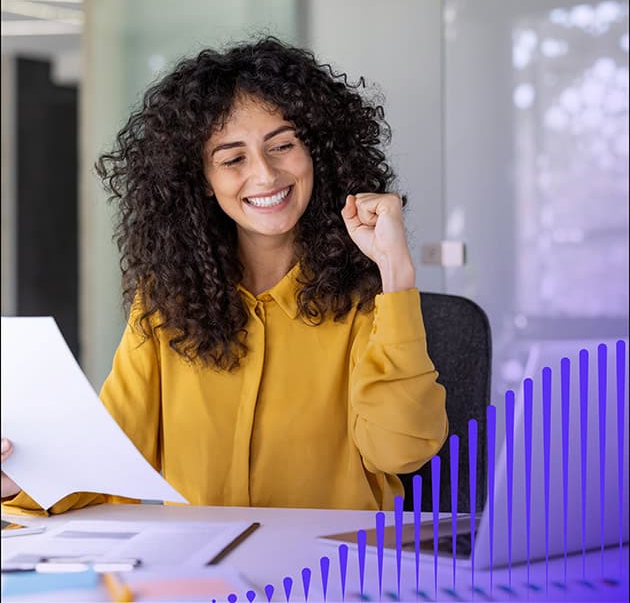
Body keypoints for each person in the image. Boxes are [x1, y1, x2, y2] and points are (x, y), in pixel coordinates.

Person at [1, 37, 447, 514]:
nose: (265, 174)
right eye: (233, 159)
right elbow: (111, 455)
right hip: (203, 575)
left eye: (282, 145)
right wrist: (17, 481)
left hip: (332, 571)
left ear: (315, 151)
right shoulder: (165, 303)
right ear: (203, 183)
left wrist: (396, 275)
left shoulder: (367, 298)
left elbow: (400, 451)